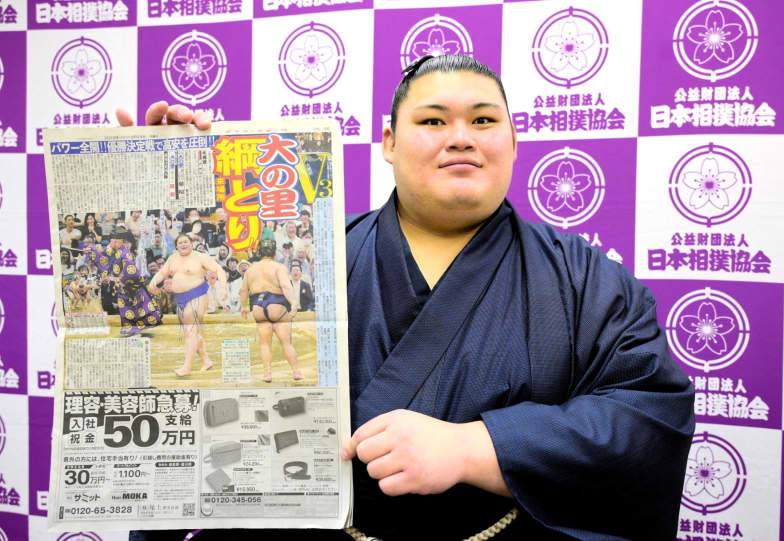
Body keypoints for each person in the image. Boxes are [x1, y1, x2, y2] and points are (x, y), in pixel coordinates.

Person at [122, 54, 694, 540]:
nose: (461, 137)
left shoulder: (583, 277)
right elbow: (204, 392)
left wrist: (478, 448)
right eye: (433, 120)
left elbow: (648, 417)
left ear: (514, 143)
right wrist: (172, 182)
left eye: (484, 120)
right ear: (389, 144)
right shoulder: (323, 257)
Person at [147, 233, 227, 377]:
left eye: (186, 242)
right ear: (176, 246)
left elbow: (219, 269)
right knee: (191, 332)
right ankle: (206, 361)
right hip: (181, 298)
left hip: (198, 294)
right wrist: (153, 282)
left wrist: (222, 287)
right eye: (180, 242)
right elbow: (162, 273)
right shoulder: (173, 258)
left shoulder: (200, 257)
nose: (183, 244)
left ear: (191, 244)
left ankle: (186, 367)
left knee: (191, 331)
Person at [239, 239, 302, 383]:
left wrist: (244, 307)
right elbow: (286, 286)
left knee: (264, 343)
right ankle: (296, 371)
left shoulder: (251, 269)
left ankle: (267, 374)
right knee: (286, 342)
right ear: (274, 253)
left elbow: (243, 290)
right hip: (276, 303)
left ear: (259, 252)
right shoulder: (279, 267)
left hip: (258, 306)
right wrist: (293, 303)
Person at [85, 228, 162, 336]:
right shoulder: (112, 249)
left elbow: (132, 272)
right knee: (126, 308)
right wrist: (91, 250)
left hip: (131, 285)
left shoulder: (126, 254)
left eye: (114, 241)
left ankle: (135, 327)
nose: (111, 243)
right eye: (111, 241)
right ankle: (130, 328)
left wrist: (118, 280)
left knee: (139, 308)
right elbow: (103, 255)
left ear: (120, 242)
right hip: (122, 286)